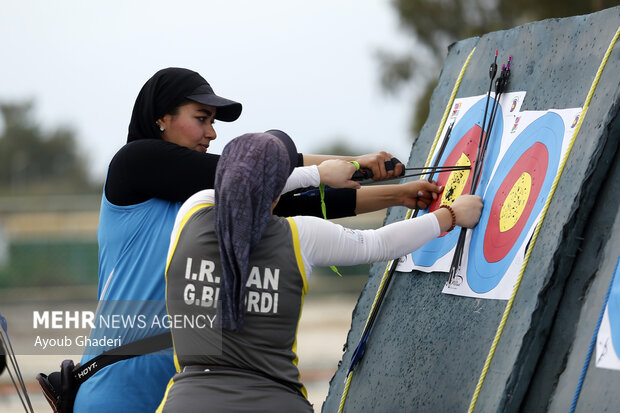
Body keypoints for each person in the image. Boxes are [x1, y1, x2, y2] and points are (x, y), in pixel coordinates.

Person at [73, 67, 441, 412]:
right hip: (117, 388)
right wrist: (352, 162)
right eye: (201, 119)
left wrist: (397, 194)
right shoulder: (132, 163)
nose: (212, 132)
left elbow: (293, 204)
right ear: (161, 118)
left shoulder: (209, 205)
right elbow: (248, 173)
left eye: (212, 123)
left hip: (179, 393)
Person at [159, 133, 483, 412]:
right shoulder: (299, 236)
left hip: (188, 400)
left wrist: (317, 173)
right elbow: (377, 244)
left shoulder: (194, 211)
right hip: (275, 401)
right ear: (277, 190)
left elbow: (241, 185)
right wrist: (450, 215)